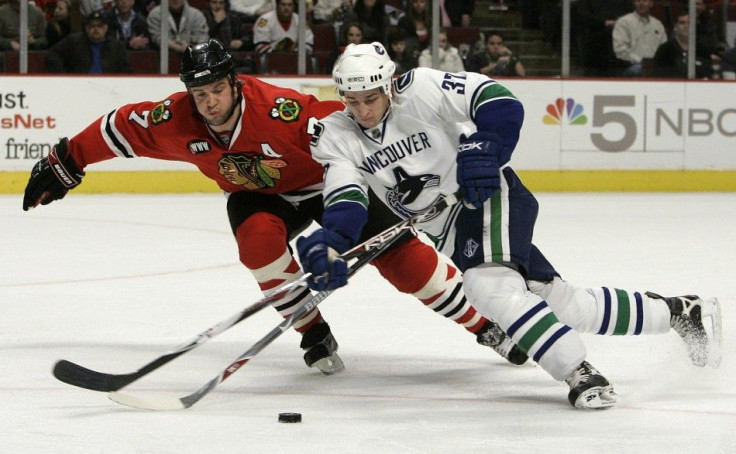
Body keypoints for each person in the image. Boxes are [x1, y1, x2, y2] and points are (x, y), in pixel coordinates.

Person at [22, 38, 527, 377]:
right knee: (258, 243)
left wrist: (429, 156)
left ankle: (486, 326)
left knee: (407, 264)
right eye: (199, 93)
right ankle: (314, 332)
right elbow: (119, 126)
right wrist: (66, 162)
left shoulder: (283, 114)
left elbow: (353, 128)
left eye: (217, 89)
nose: (209, 102)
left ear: (235, 84)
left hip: (329, 185)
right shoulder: (175, 119)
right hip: (259, 196)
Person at [297, 42, 722, 409]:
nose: (362, 110)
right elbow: (346, 194)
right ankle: (680, 312)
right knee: (561, 303)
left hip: (486, 197)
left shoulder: (422, 89)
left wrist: (488, 144)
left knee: (488, 287)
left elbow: (495, 97)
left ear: (389, 85)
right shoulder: (337, 134)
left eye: (370, 98)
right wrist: (334, 240)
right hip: (447, 230)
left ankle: (579, 372)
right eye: (352, 101)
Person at [45, 10, 132, 73]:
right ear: (86, 28)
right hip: (79, 87)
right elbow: (52, 55)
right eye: (92, 26)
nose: (95, 29)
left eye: (99, 26)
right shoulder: (74, 41)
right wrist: (63, 77)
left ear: (106, 28)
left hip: (107, 88)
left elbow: (126, 71)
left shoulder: (116, 46)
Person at [575, 0, 631, 77]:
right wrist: (604, 22)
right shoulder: (587, 3)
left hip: (618, 50)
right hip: (594, 47)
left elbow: (630, 14)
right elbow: (583, 16)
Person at [612, 0, 666, 77]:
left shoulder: (658, 24)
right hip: (630, 67)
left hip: (655, 67)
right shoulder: (624, 22)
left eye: (645, 0)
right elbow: (620, 49)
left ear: (651, 3)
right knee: (638, 69)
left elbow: (664, 48)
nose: (641, 3)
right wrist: (641, 61)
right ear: (634, 3)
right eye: (638, 1)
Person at [652, 12, 711, 79]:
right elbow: (659, 75)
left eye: (689, 23)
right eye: (682, 23)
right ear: (675, 27)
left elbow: (708, 74)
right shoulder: (664, 50)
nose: (686, 26)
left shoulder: (703, 50)